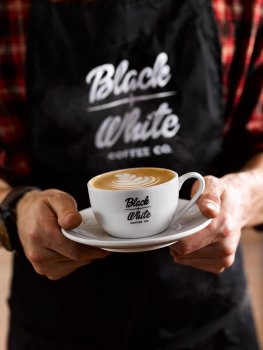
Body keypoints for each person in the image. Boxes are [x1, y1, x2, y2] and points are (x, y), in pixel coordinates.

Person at [0, 0, 262, 349]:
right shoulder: (11, 11)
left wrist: (243, 195)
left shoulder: (241, 7)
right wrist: (15, 209)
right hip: (56, 327)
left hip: (210, 325)